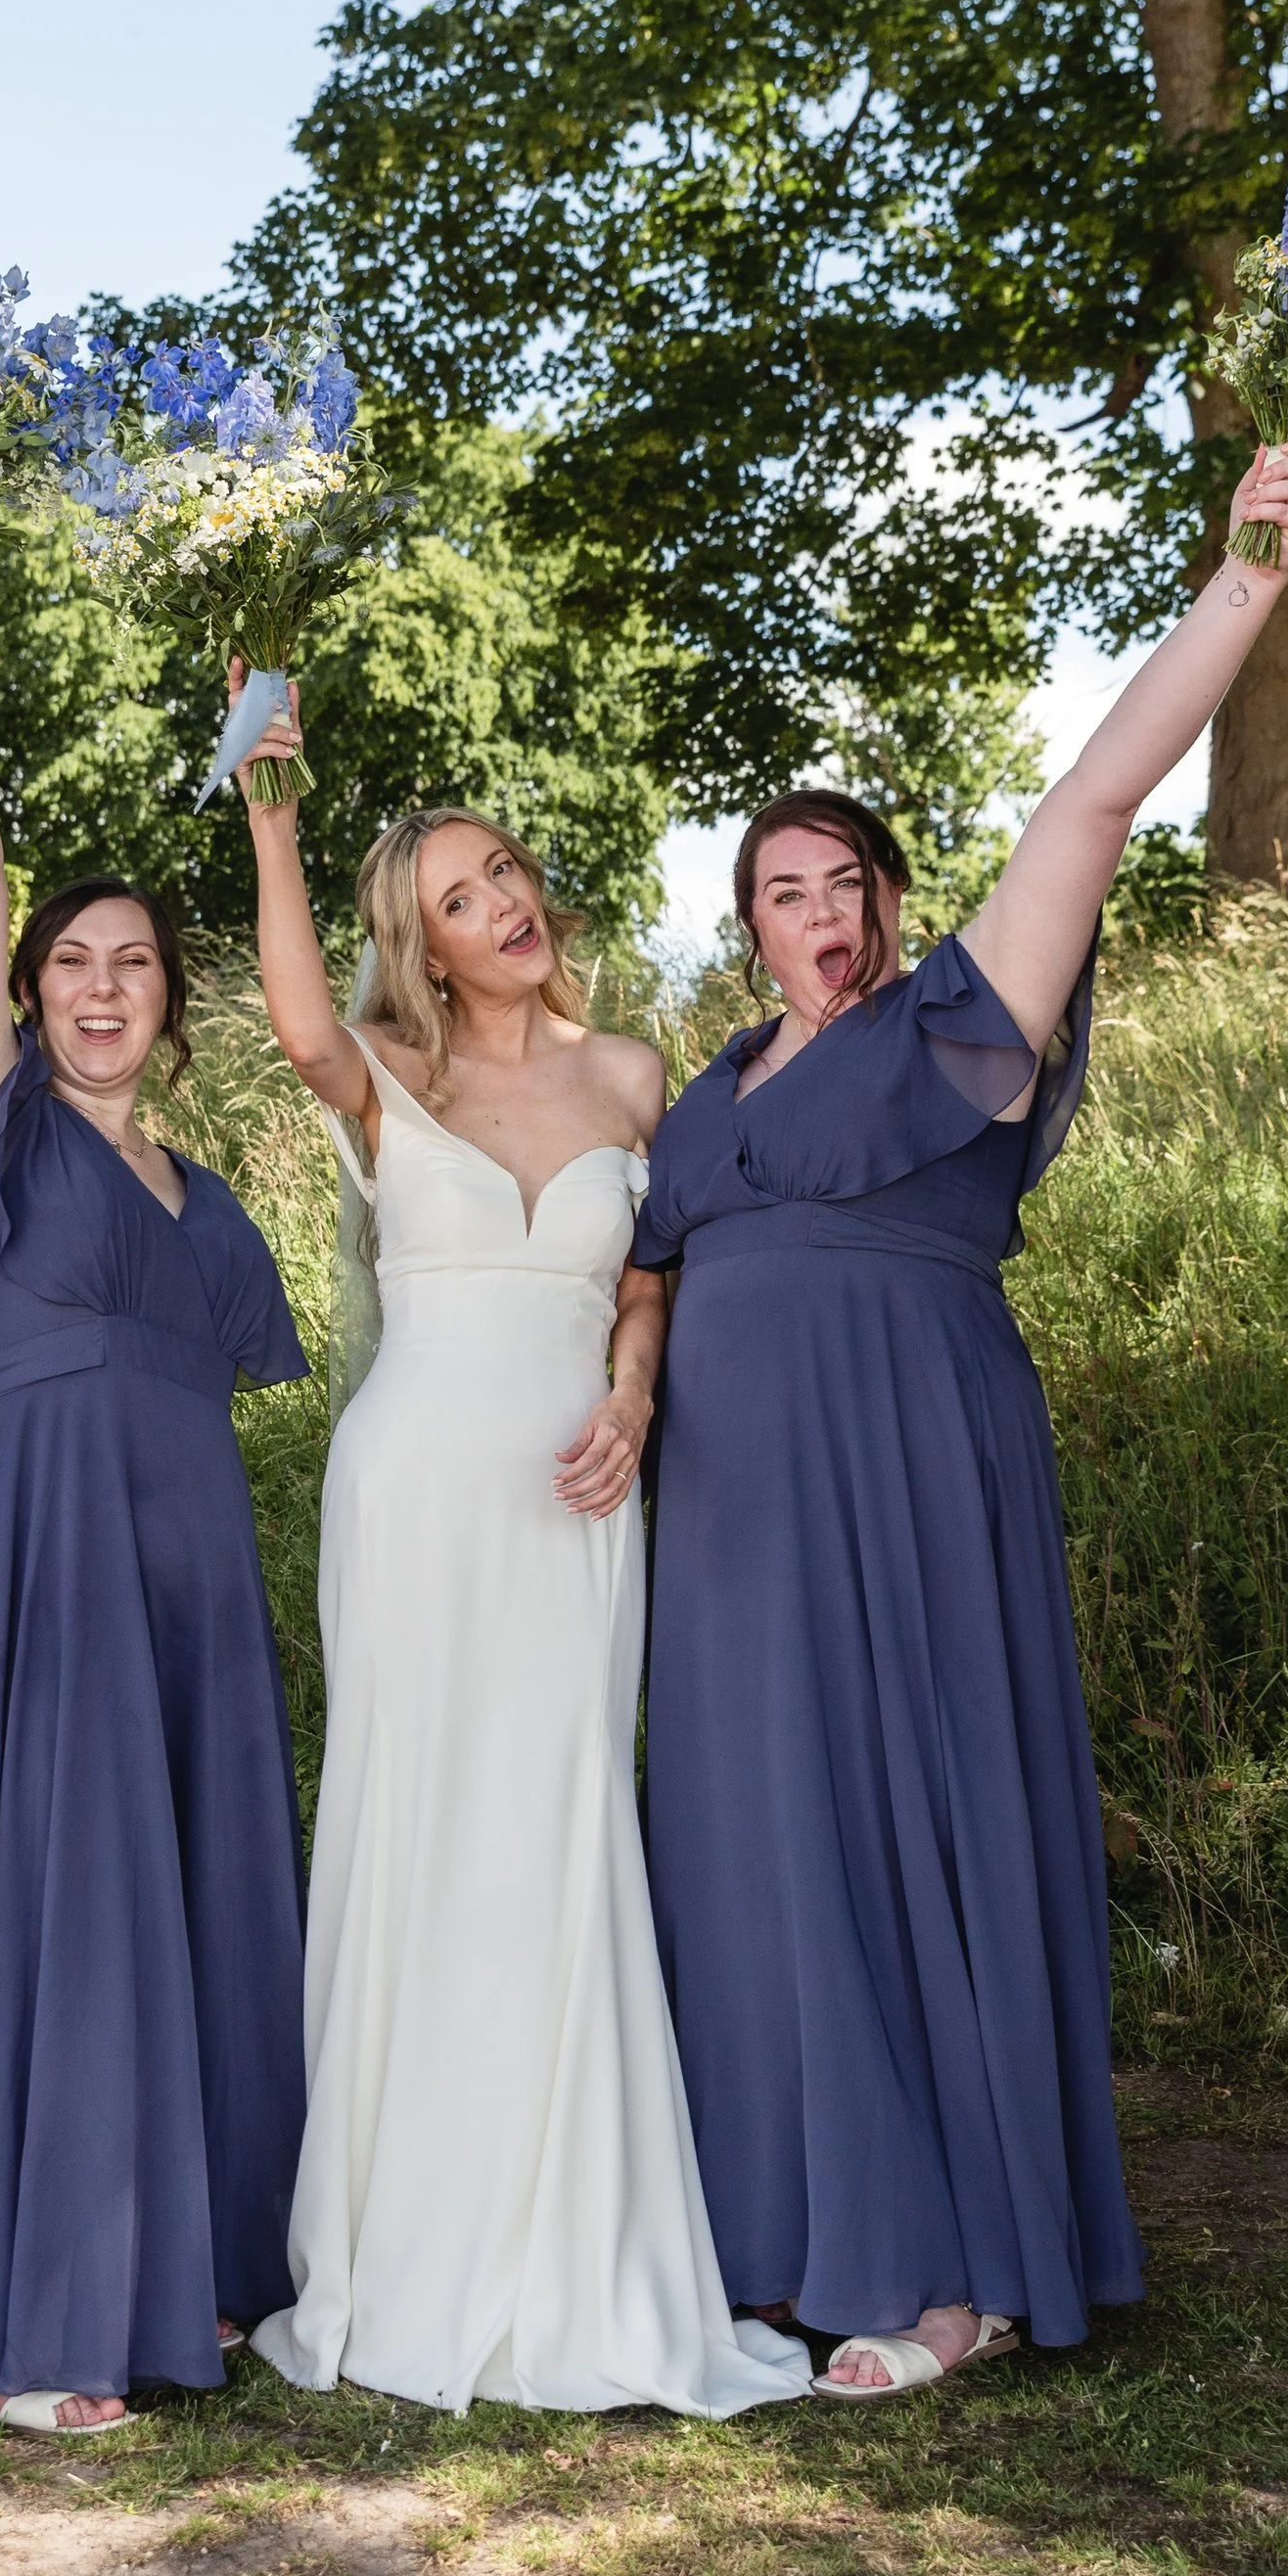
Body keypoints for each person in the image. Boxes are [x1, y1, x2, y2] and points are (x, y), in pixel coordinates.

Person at [634, 440, 1288, 2397]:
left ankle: (951, 2273)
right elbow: (638, 1271)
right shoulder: (701, 1090)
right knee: (756, 1845)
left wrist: (1244, 586)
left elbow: (1097, 793)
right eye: (776, 892)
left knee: (915, 1821)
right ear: (743, 922)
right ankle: (798, 2230)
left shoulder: (957, 1014)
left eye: (840, 879)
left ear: (883, 893)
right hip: (733, 1528)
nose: (813, 913)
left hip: (911, 1472)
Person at [234, 680, 810, 2420]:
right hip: (413, 1484)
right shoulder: (388, 1077)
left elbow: (656, 1278)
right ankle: (399, 2233)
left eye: (508, 874)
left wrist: (635, 1398)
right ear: (423, 942)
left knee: (560, 1814)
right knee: (415, 1816)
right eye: (462, 896)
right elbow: (288, 1016)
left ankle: (578, 2230)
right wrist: (272, 815)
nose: (505, 904)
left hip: (577, 1486)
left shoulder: (636, 1075)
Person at [0, 529, 310, 2437]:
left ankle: (183, 2266)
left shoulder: (218, 1214)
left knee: (184, 1910)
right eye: (70, 963)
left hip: (184, 1588)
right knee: (66, 1920)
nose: (101, 984)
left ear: (169, 1003)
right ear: (29, 998)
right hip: (31, 1573)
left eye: (134, 964)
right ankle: (37, 2321)